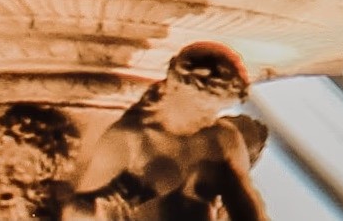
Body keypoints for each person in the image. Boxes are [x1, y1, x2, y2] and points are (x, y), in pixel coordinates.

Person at [57, 44, 269, 219]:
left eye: (217, 110)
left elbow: (247, 211)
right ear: (175, 88)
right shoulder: (130, 140)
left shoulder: (223, 138)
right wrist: (101, 213)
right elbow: (75, 210)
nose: (209, 117)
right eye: (201, 107)